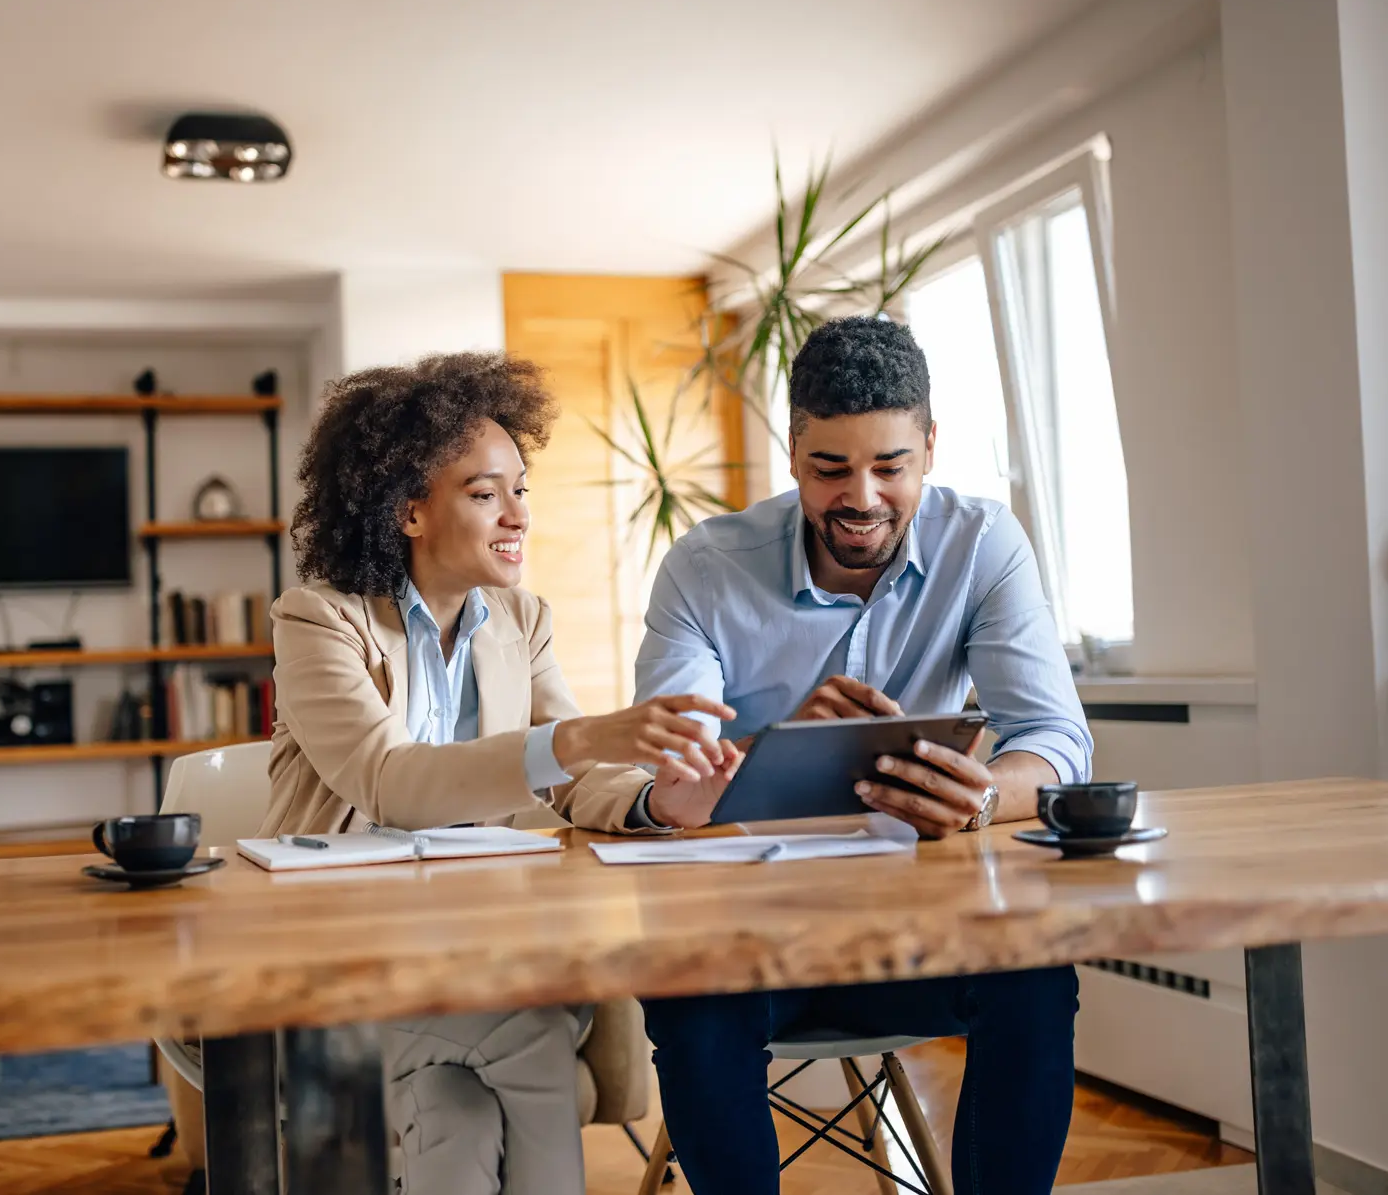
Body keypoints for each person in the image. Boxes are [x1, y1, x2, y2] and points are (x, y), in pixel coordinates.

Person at [630, 315, 1093, 1195]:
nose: (863, 497)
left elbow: (1056, 741)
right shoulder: (703, 569)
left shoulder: (984, 545)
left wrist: (985, 794)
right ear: (793, 449)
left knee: (1036, 974)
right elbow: (670, 771)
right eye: (830, 468)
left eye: (891, 467)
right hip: (749, 947)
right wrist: (779, 749)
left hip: (919, 936)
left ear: (929, 447)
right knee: (685, 993)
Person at [262, 351, 741, 1195]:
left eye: (522, 487)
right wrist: (579, 736)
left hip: (484, 937)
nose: (518, 513)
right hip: (353, 954)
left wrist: (659, 802)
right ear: (409, 510)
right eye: (485, 493)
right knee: (534, 1040)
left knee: (458, 1116)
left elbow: (574, 781)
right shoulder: (319, 621)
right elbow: (387, 779)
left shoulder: (521, 620)